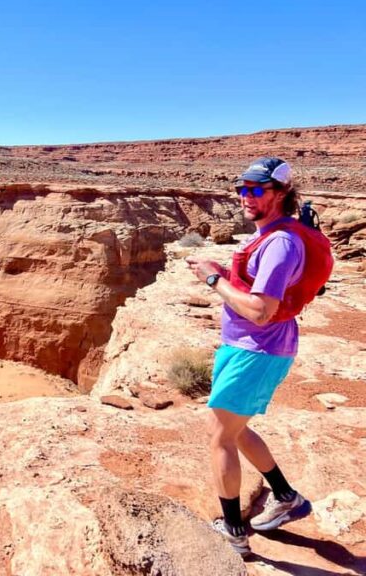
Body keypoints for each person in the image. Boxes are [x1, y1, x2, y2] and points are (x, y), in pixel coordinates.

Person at [185, 157, 321, 558]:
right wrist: (224, 273)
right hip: (244, 346)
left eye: (257, 189)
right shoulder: (269, 235)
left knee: (220, 435)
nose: (247, 196)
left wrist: (213, 279)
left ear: (281, 194)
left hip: (258, 349)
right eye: (242, 189)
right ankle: (285, 497)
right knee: (234, 428)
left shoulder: (281, 242)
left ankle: (232, 533)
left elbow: (261, 310)